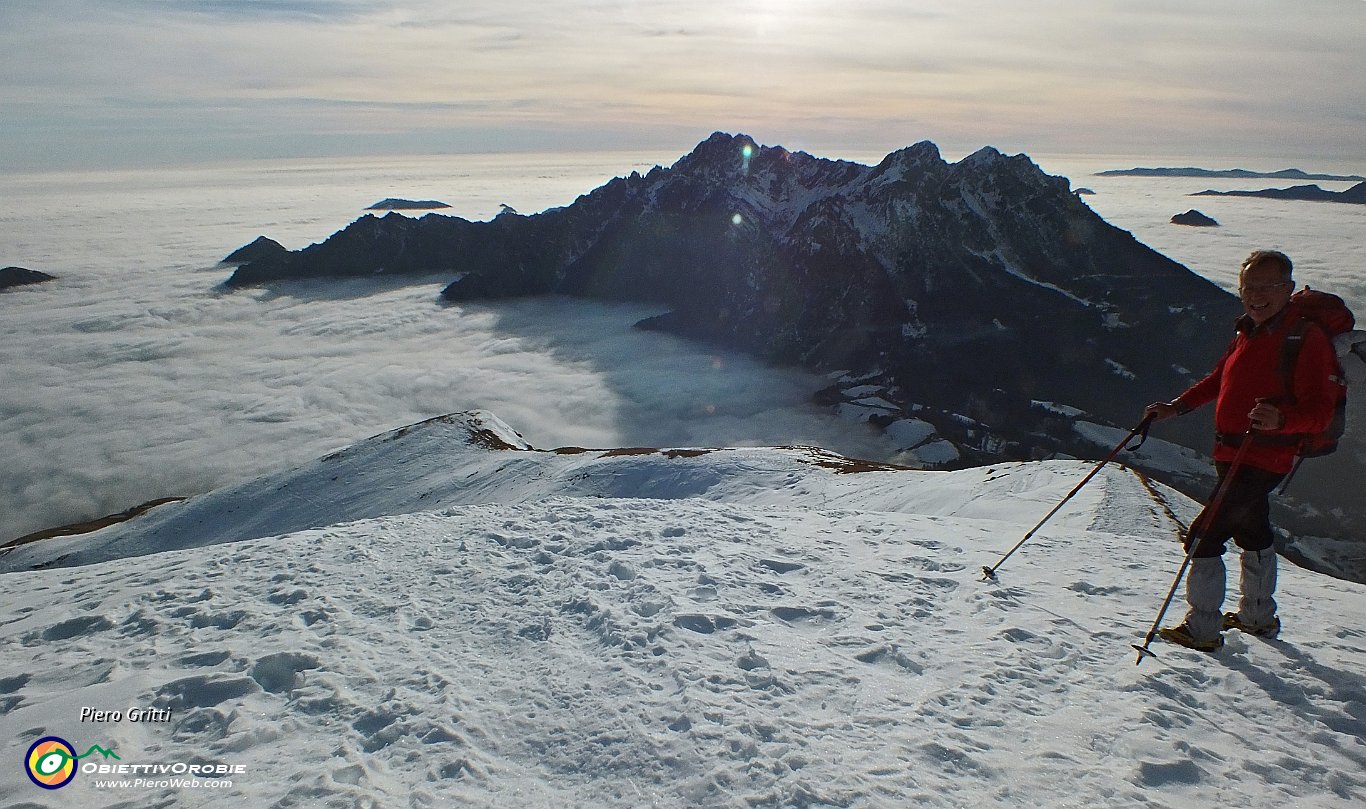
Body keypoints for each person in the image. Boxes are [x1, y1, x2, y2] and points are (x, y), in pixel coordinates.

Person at [1144, 249, 1338, 651]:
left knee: (1204, 535)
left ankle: (1201, 628)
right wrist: (1176, 408)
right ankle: (1257, 617)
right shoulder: (1247, 331)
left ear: (1288, 289)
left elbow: (1320, 411)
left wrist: (1281, 421)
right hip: (1232, 453)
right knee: (1252, 531)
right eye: (1250, 287)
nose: (1257, 295)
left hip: (1263, 456)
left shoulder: (1306, 338)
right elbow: (1220, 380)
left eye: (1268, 287)